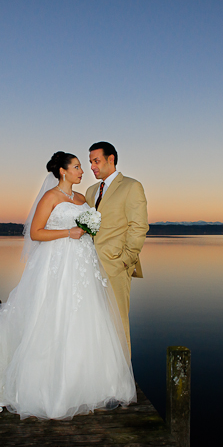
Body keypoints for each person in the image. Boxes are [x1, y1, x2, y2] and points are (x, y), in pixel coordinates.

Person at [0, 151, 136, 428]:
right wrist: (69, 233)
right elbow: (36, 233)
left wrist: (88, 231)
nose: (82, 171)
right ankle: (51, 389)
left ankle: (90, 384)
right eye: (77, 167)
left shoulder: (82, 199)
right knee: (54, 317)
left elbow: (90, 227)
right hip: (57, 265)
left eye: (82, 166)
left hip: (83, 267)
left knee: (87, 319)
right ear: (63, 171)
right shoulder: (50, 197)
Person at [86, 142, 148, 351]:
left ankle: (122, 381)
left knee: (117, 324)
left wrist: (125, 260)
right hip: (87, 266)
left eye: (96, 161)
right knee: (92, 322)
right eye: (90, 162)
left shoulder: (131, 186)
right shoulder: (91, 190)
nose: (92, 167)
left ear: (111, 159)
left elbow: (138, 226)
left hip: (115, 266)